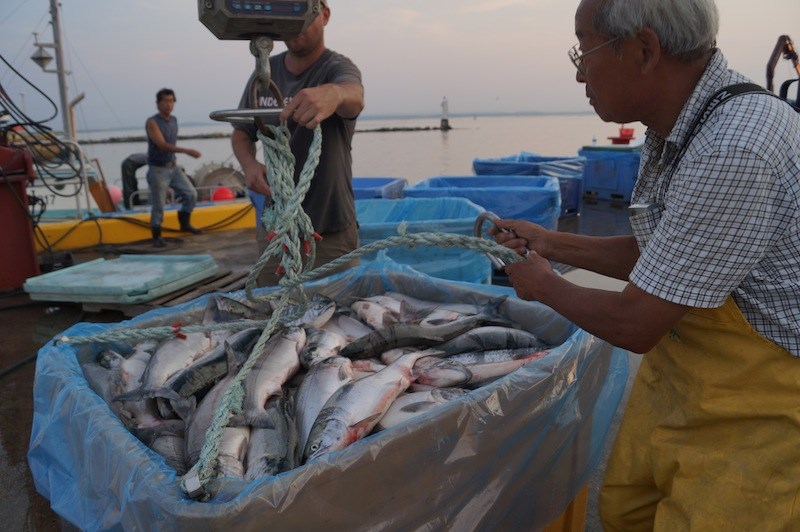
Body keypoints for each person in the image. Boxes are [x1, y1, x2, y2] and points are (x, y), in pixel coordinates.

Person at [491, 0, 800, 528]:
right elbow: (668, 255)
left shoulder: (735, 146)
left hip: (759, 408)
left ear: (644, 50)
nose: (578, 71)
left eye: (583, 49)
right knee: (624, 510)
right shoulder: (679, 125)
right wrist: (550, 244)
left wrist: (543, 286)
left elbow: (637, 323)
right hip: (684, 381)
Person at [231, 0, 364, 284]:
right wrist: (249, 165)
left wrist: (334, 94)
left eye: (302, 12)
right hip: (277, 230)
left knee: (337, 313)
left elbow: (355, 96)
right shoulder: (265, 74)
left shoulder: (337, 68)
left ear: (324, 15)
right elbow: (242, 132)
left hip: (331, 230)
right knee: (269, 309)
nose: (295, 23)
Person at [146, 88, 202, 248]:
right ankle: (156, 236)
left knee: (191, 194)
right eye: (165, 101)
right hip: (158, 169)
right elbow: (162, 145)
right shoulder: (152, 122)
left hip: (173, 166)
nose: (168, 104)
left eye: (171, 101)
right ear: (158, 103)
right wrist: (187, 151)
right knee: (159, 204)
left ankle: (184, 224)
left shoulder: (174, 120)